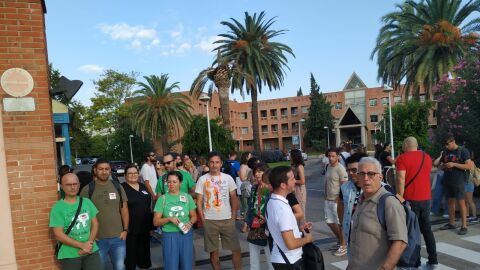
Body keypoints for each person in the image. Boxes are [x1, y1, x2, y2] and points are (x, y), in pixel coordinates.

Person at [348, 157, 408, 270]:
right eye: (361, 174)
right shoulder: (361, 200)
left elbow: (400, 242)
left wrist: (386, 267)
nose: (366, 178)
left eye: (371, 174)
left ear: (380, 177)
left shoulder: (389, 202)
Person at [80, 159, 129, 270]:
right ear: (95, 170)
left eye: (107, 169)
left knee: (120, 267)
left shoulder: (117, 186)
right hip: (97, 239)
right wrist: (90, 235)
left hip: (118, 238)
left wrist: (125, 230)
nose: (104, 171)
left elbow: (124, 209)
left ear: (110, 170)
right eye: (101, 169)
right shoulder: (87, 189)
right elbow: (82, 214)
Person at [195, 151, 241, 270]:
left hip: (227, 219)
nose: (214, 165)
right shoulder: (202, 180)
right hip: (210, 220)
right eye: (212, 162)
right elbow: (199, 201)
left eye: (217, 162)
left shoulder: (228, 178)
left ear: (221, 164)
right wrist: (203, 219)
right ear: (208, 164)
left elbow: (234, 197)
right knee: (214, 253)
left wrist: (233, 216)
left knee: (236, 249)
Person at [395, 137, 437, 267]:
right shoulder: (427, 157)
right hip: (426, 198)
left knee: (412, 231)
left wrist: (399, 197)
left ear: (407, 144)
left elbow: (401, 179)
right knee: (427, 230)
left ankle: (415, 262)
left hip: (410, 199)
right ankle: (433, 260)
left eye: (403, 143)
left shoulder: (402, 158)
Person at [50, 173, 102, 270]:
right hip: (70, 254)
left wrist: (89, 244)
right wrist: (82, 246)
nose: (73, 187)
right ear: (62, 186)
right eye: (69, 185)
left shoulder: (87, 202)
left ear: (79, 185)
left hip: (91, 250)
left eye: (75, 184)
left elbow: (95, 224)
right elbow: (58, 234)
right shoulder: (57, 208)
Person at [266, 166, 313, 269]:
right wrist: (307, 239)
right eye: (292, 179)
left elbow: (279, 229)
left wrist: (298, 230)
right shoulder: (283, 208)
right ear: (283, 185)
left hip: (280, 258)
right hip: (289, 261)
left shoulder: (271, 201)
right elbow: (290, 244)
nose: (295, 181)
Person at [154, 171, 197, 270]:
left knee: (187, 265)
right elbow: (156, 222)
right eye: (169, 182)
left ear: (180, 183)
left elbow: (194, 216)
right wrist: (169, 219)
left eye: (174, 182)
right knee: (171, 265)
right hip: (170, 235)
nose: (171, 184)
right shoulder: (162, 199)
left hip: (185, 234)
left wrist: (190, 223)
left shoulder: (187, 197)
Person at [439, 135, 473, 235]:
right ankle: (451, 223)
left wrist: (454, 164)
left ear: (453, 141)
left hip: (459, 180)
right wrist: (442, 165)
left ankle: (464, 226)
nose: (446, 146)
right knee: (450, 202)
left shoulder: (463, 151)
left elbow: (469, 166)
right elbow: (441, 163)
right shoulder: (446, 152)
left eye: (447, 144)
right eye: (445, 144)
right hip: (448, 180)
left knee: (461, 203)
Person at [121, 164, 152, 270]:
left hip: (144, 228)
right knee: (131, 258)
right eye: (130, 173)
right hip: (130, 230)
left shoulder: (143, 186)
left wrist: (151, 226)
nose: (133, 175)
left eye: (135, 173)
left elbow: (148, 206)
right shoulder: (122, 188)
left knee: (144, 258)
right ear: (125, 175)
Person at [245, 163, 273, 270]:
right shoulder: (254, 188)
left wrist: (266, 219)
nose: (257, 174)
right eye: (256, 171)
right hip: (255, 225)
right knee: (253, 258)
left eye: (260, 171)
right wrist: (248, 222)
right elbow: (250, 206)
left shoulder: (271, 189)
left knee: (270, 257)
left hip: (268, 226)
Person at [337, 152, 367, 253]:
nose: (350, 173)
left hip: (371, 237)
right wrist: (342, 223)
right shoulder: (345, 187)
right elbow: (340, 204)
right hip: (351, 235)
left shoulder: (380, 188)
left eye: (354, 170)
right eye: (348, 170)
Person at [324, 148, 348, 256]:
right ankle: (340, 241)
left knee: (339, 223)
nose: (330, 158)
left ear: (338, 156)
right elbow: (327, 181)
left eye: (333, 156)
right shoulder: (328, 166)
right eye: (329, 156)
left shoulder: (340, 169)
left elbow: (344, 185)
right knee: (329, 221)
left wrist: (339, 198)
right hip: (328, 199)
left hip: (336, 200)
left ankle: (344, 246)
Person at [290, 149, 306, 222]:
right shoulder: (293, 165)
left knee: (300, 210)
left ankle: (303, 230)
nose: (289, 157)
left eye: (290, 155)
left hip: (299, 190)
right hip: (293, 189)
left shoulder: (300, 166)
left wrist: (293, 180)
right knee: (294, 210)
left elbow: (302, 181)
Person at [238, 152, 252, 220]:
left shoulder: (248, 165)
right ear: (246, 157)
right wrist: (250, 178)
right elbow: (242, 178)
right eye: (250, 156)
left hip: (250, 186)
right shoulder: (243, 166)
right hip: (246, 187)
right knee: (246, 205)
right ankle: (245, 220)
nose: (251, 156)